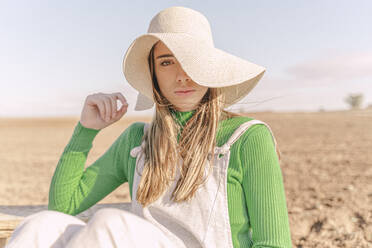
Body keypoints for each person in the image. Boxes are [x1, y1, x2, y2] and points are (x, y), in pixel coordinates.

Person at [6, 6, 292, 248]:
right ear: (153, 74)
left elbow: (274, 243)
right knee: (42, 225)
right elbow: (63, 206)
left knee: (109, 224)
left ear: (209, 68)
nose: (182, 75)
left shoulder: (247, 137)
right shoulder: (137, 140)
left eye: (192, 61)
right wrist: (86, 130)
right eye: (167, 62)